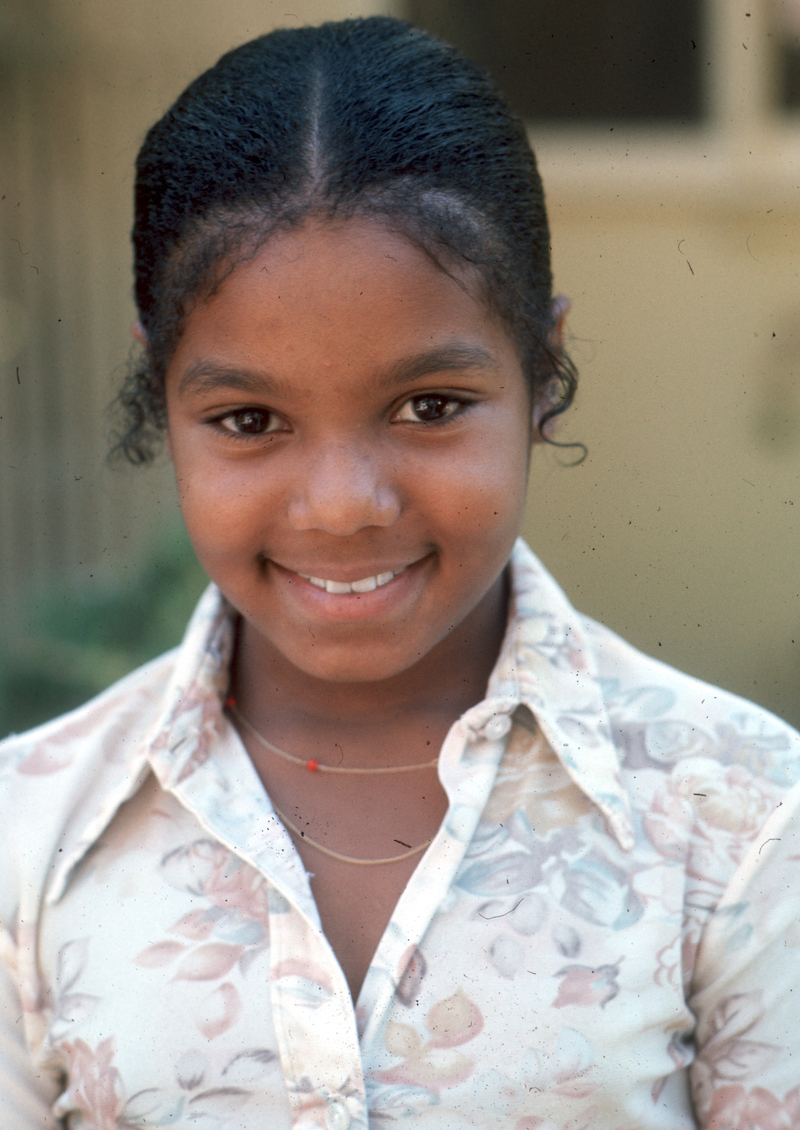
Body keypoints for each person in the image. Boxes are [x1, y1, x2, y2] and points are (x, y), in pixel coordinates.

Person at [1, 16, 799, 1130]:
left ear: (543, 369)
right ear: (162, 398)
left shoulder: (743, 817)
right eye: (247, 418)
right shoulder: (29, 837)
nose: (341, 504)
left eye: (428, 407)